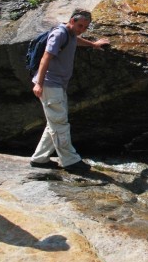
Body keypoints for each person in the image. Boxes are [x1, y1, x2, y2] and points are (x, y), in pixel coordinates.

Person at [30, 9, 109, 172]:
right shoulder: (59, 34)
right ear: (72, 21)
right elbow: (46, 57)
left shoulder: (70, 34)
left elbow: (76, 40)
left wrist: (93, 45)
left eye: (85, 27)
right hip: (49, 85)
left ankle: (40, 158)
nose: (81, 30)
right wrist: (39, 83)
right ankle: (70, 161)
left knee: (55, 123)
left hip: (57, 86)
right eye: (80, 25)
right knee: (60, 123)